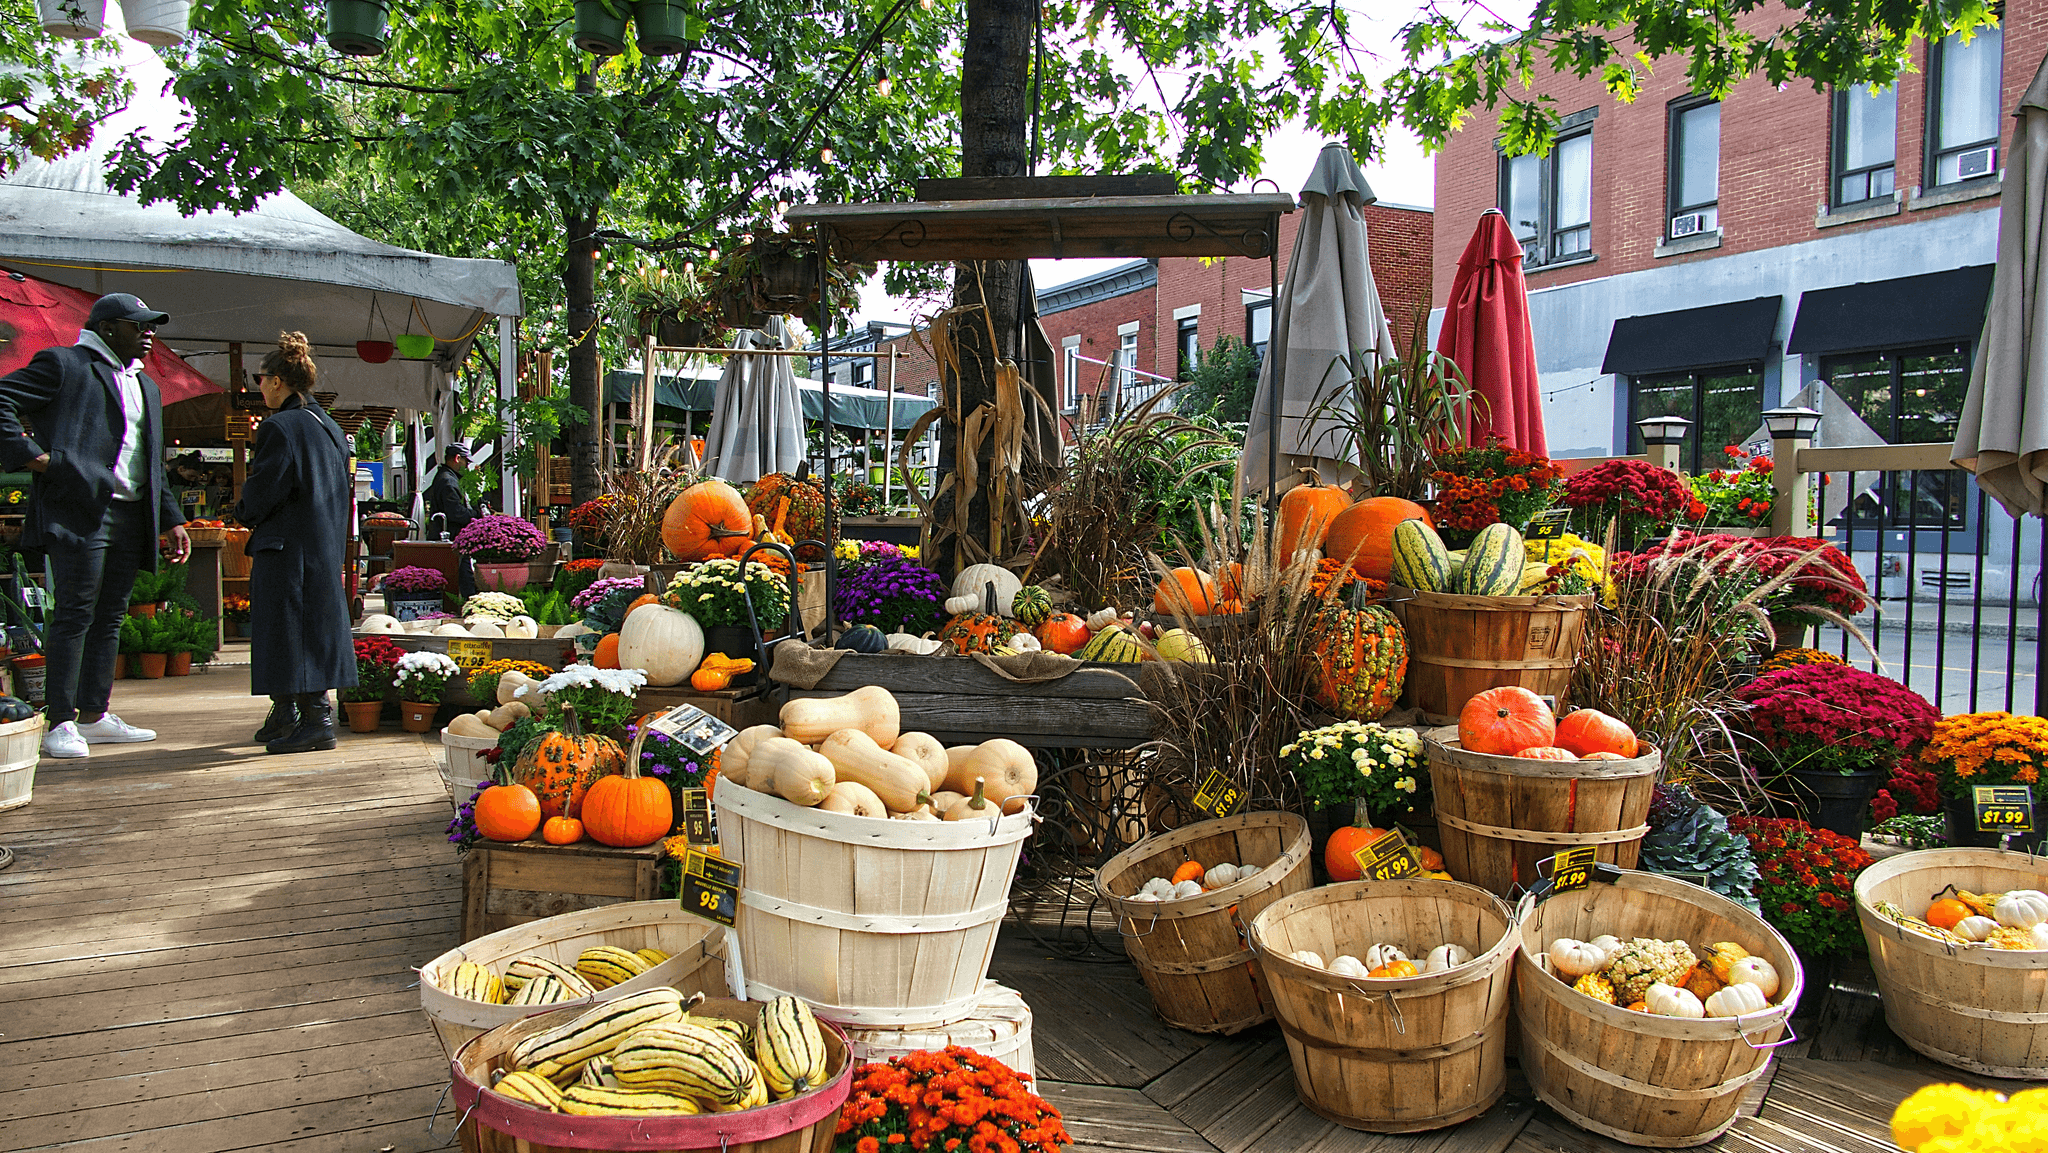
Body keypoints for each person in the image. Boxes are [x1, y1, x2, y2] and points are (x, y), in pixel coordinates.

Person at [0, 293, 189, 760]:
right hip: (81, 511)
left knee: (109, 617)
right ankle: (59, 722)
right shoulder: (64, 365)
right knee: (75, 614)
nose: (149, 333)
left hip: (131, 513)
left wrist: (172, 519)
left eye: (152, 325)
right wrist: (39, 460)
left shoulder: (146, 386)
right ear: (107, 328)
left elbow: (151, 462)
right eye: (138, 325)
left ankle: (94, 715)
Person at [234, 333, 357, 754]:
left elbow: (263, 491)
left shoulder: (279, 427)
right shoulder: (330, 425)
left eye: (260, 379)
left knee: (288, 630)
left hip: (286, 547)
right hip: (321, 544)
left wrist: (243, 510)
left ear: (276, 382)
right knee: (305, 629)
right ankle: (287, 712)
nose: (258, 387)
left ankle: (315, 719)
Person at [425, 442, 478, 596]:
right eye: (466, 462)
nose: (467, 466)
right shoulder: (448, 481)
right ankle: (468, 603)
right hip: (450, 535)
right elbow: (456, 513)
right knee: (463, 574)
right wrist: (476, 516)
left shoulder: (447, 477)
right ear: (457, 458)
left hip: (449, 534)